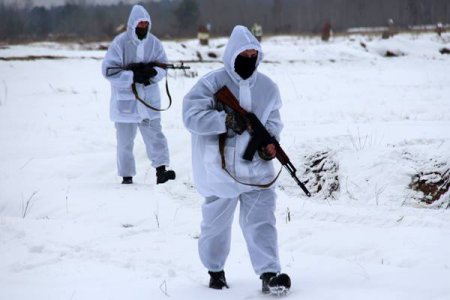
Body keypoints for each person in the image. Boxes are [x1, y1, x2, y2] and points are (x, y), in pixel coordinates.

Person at [182, 25, 290, 294]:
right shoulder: (211, 83)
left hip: (257, 171)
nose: (249, 59)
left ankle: (269, 273)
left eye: (254, 55)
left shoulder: (267, 87)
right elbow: (190, 116)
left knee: (262, 221)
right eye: (244, 54)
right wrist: (224, 120)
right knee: (215, 226)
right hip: (220, 171)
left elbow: (274, 120)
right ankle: (215, 271)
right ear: (232, 55)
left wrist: (269, 145)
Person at [101, 4, 175, 185]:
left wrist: (152, 74)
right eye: (140, 24)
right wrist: (133, 76)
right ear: (132, 24)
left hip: (149, 100)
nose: (143, 27)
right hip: (126, 103)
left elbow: (163, 66)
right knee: (125, 142)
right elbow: (109, 71)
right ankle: (127, 177)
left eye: (145, 24)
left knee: (155, 135)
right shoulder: (120, 43)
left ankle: (161, 171)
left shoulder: (154, 43)